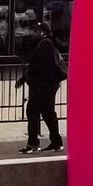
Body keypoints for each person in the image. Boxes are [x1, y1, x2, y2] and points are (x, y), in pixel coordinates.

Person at [18, 21, 65, 155]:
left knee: (32, 111)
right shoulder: (44, 44)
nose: (32, 33)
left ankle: (33, 144)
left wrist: (29, 77)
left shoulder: (44, 45)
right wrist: (24, 78)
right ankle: (56, 142)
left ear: (42, 32)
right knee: (48, 113)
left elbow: (41, 67)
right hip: (47, 86)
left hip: (42, 86)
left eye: (35, 31)